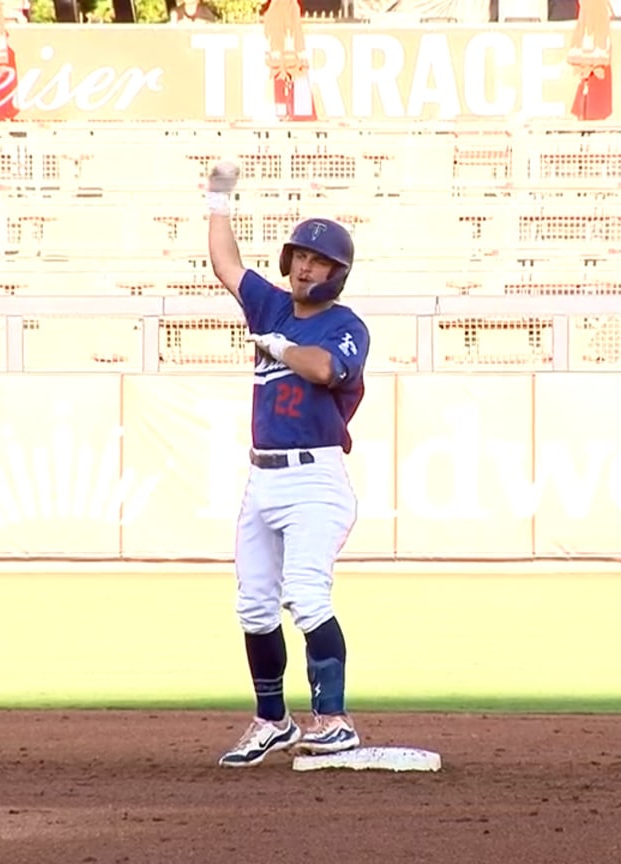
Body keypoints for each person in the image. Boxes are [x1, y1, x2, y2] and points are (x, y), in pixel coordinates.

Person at [204, 160, 371, 768]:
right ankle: (272, 720)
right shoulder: (271, 306)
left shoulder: (344, 325)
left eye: (318, 259)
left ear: (337, 273)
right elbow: (227, 266)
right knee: (253, 604)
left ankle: (334, 719)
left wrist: (279, 346)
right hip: (262, 476)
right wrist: (219, 200)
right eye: (300, 255)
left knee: (305, 594)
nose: (305, 265)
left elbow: (328, 369)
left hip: (315, 478)